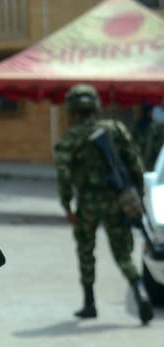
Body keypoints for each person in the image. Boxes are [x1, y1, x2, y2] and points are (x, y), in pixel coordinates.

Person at [54, 84, 152, 324]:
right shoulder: (115, 128)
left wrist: (67, 205)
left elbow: (63, 176)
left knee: (86, 250)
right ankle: (140, 291)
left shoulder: (71, 138)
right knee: (123, 252)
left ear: (72, 109)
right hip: (117, 199)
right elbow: (135, 163)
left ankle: (89, 303)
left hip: (88, 202)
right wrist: (137, 195)